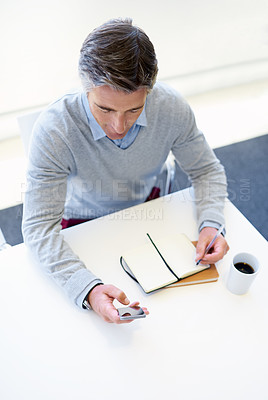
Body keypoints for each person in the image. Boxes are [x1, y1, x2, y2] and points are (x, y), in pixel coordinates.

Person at [22, 18, 229, 324]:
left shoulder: (170, 107)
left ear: (149, 91)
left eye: (134, 109)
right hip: (81, 223)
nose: (118, 126)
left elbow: (207, 170)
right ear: (85, 87)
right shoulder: (56, 129)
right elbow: (38, 226)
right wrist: (88, 289)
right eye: (104, 109)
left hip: (148, 208)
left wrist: (213, 224)